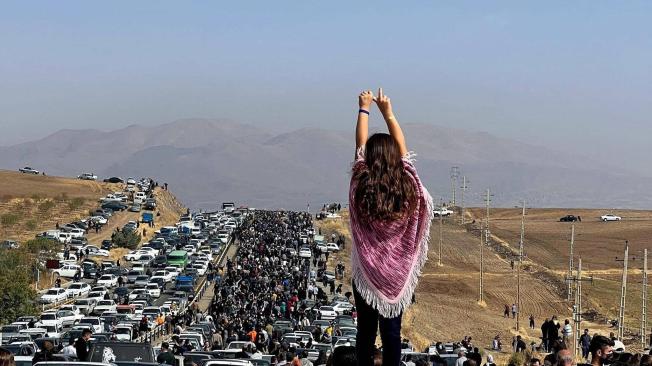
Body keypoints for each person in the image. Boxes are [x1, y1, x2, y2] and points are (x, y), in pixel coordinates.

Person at [349, 88, 433, 366]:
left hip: (366, 273)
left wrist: (364, 109)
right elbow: (404, 153)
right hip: (397, 277)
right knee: (392, 334)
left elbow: (359, 148)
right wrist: (388, 113)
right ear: (396, 157)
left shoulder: (361, 184)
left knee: (365, 332)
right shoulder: (409, 186)